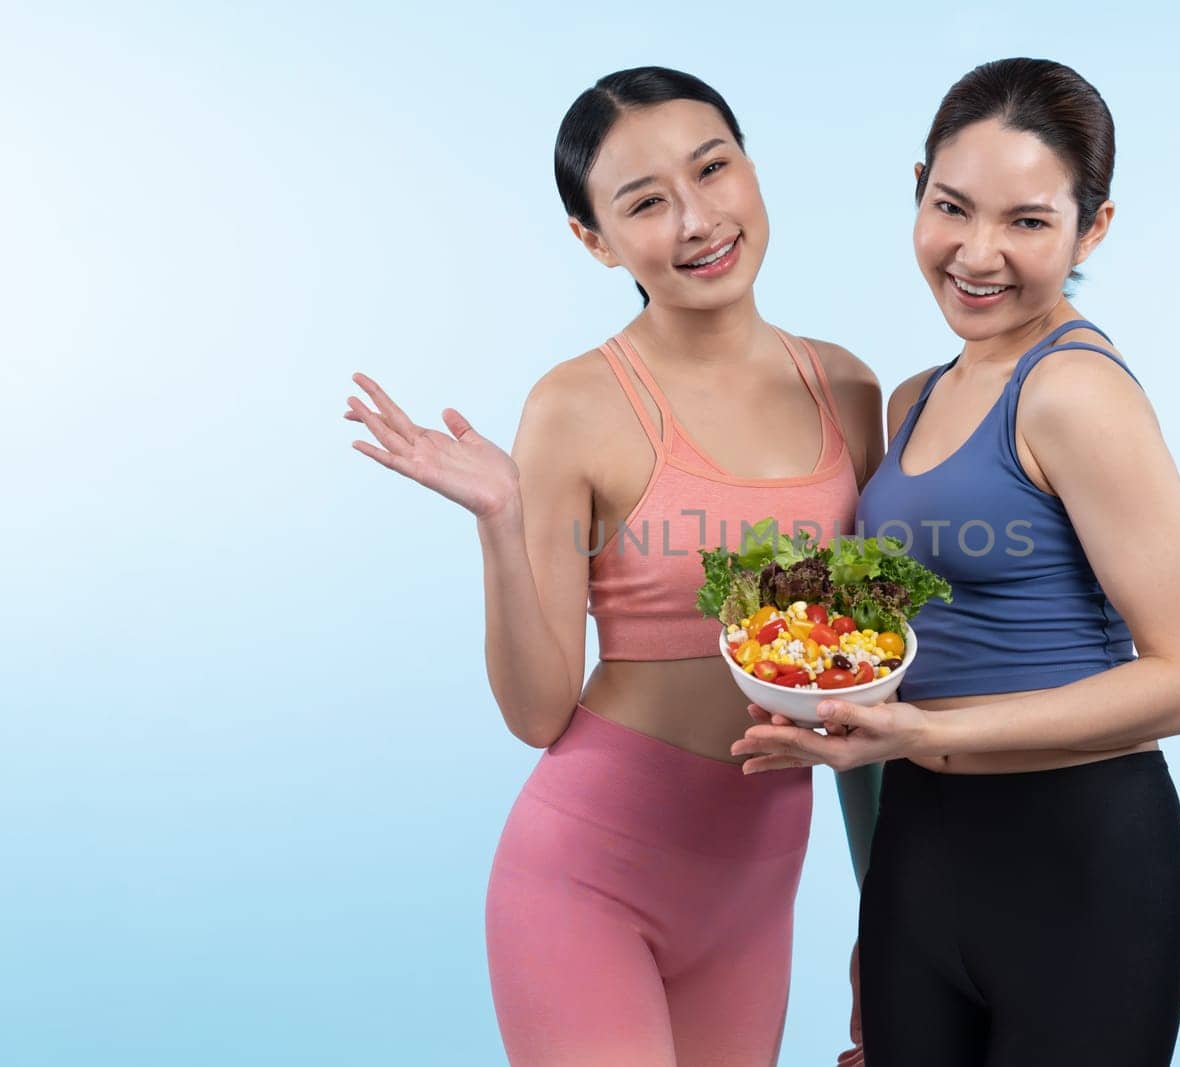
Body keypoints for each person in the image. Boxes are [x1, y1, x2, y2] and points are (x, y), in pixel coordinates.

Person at [344, 66, 881, 1067]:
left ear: (751, 169)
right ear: (595, 241)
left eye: (711, 169)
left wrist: (890, 916)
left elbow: (864, 689)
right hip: (589, 873)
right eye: (644, 202)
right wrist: (503, 519)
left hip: (758, 887)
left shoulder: (848, 389)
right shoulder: (576, 405)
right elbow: (538, 712)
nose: (696, 218)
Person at [735, 57, 1180, 1066]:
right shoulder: (914, 396)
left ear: (1091, 229)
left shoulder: (1074, 393)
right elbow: (889, 667)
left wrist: (923, 725)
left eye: (1028, 221)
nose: (977, 253)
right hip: (920, 852)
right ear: (916, 188)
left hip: (1078, 860)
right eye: (950, 207)